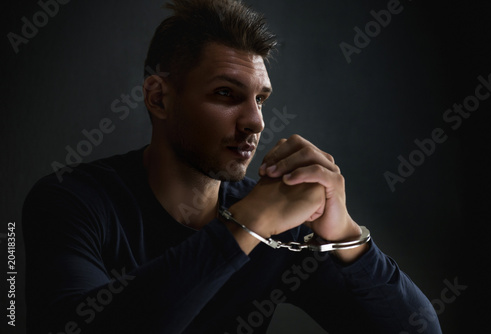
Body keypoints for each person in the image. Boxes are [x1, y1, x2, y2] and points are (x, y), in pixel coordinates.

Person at [22, 0, 442, 333]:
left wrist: (348, 236)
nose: (255, 121)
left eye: (260, 99)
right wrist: (249, 223)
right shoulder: (72, 201)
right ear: (158, 98)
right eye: (226, 93)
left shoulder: (277, 226)